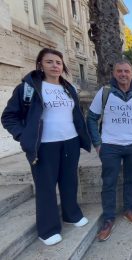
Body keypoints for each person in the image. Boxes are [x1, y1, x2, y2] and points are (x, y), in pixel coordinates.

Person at [1, 48, 91, 246]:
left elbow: (75, 115)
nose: (55, 66)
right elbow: (8, 116)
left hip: (70, 141)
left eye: (58, 62)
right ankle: (47, 229)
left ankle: (71, 214)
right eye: (49, 62)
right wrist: (23, 135)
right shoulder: (29, 87)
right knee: (46, 187)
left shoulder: (69, 88)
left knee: (69, 182)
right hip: (44, 145)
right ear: (40, 64)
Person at [86, 59, 132, 241]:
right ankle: (108, 219)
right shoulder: (104, 93)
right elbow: (91, 118)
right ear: (114, 74)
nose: (123, 74)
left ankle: (129, 210)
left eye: (126, 71)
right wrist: (98, 144)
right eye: (119, 71)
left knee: (131, 180)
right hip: (110, 146)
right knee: (109, 182)